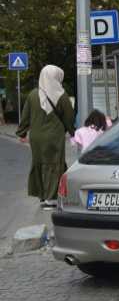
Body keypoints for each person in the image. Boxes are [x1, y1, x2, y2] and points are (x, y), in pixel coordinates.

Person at [16, 65, 76, 208]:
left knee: (39, 164)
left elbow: (25, 117)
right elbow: (69, 117)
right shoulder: (61, 95)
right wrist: (74, 133)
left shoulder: (32, 95)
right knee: (53, 165)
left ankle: (42, 196)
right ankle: (51, 198)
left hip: (36, 137)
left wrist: (22, 133)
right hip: (54, 137)